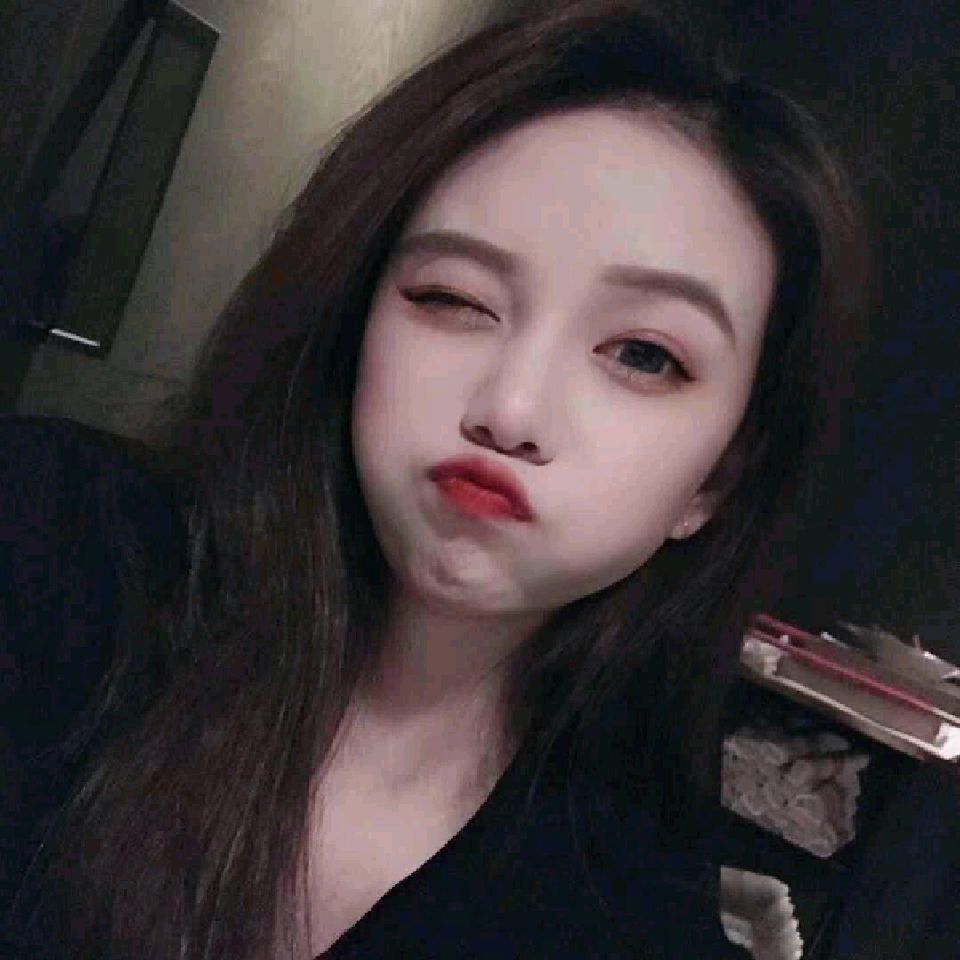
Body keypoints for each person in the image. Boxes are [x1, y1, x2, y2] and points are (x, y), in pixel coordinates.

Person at [1, 1, 870, 957]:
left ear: (715, 483)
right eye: (452, 298)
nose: (511, 410)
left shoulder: (632, 910)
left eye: (644, 355)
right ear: (355, 324)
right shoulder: (54, 546)